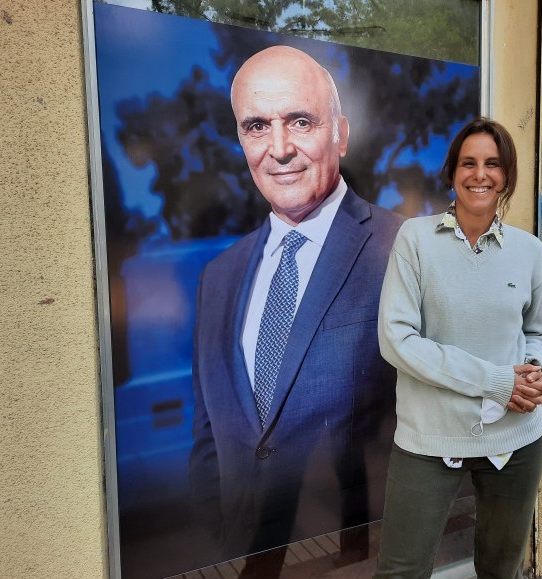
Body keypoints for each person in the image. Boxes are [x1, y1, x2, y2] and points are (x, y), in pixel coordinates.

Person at [189, 45, 404, 576]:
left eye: (300, 121)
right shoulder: (218, 277)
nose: (279, 148)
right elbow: (208, 437)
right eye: (257, 126)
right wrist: (219, 539)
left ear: (341, 133)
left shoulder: (403, 248)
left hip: (353, 556)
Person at [375, 117, 542, 579]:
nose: (480, 174)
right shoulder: (415, 239)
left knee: (501, 568)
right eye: (469, 163)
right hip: (430, 435)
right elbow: (397, 339)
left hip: (516, 437)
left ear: (507, 176)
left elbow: (537, 330)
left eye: (493, 164)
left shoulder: (529, 250)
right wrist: (495, 381)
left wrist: (533, 370)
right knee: (401, 570)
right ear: (452, 173)